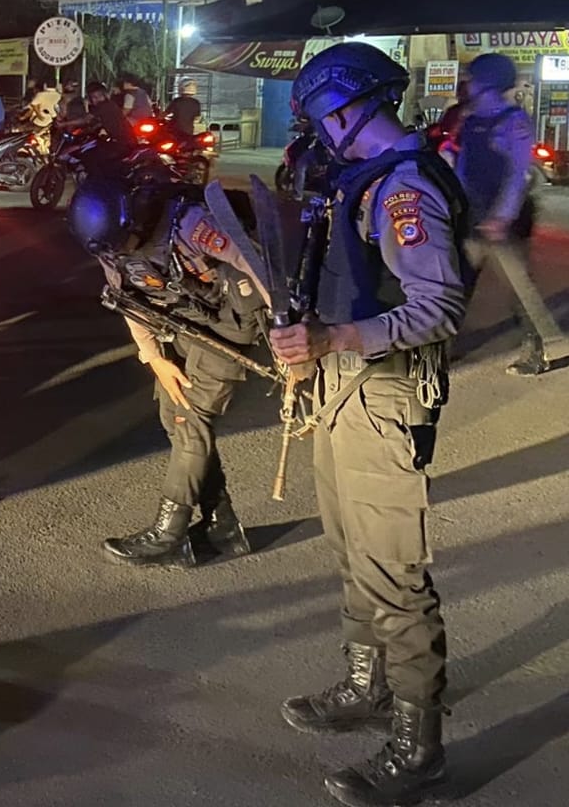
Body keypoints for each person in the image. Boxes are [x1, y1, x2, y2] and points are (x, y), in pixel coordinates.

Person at [274, 43, 473, 807]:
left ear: (350, 108)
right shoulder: (364, 178)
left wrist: (336, 339)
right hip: (342, 384)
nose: (320, 136)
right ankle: (368, 686)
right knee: (351, 550)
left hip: (383, 395)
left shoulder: (405, 188)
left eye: (322, 119)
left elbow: (439, 306)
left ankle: (420, 750)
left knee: (394, 570)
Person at [69, 179, 265, 568]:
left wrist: (290, 332)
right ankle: (223, 528)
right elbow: (128, 300)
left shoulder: (190, 226)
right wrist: (154, 358)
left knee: (191, 419)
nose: (119, 253)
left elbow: (256, 266)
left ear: (134, 221)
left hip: (231, 324)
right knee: (171, 413)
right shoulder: (108, 243)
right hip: (184, 321)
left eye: (123, 244)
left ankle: (168, 535)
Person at [455, 53, 560, 376]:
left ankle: (538, 350)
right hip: (474, 217)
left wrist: (501, 217)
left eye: (472, 78)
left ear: (487, 83)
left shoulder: (513, 121)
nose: (467, 84)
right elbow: (463, 167)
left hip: (504, 224)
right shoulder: (470, 119)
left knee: (521, 291)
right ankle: (440, 347)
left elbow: (517, 172)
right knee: (455, 284)